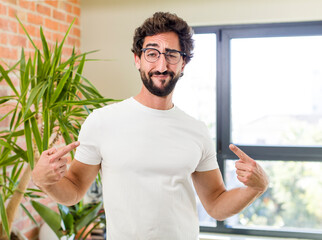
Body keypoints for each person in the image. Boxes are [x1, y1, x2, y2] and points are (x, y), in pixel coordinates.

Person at [32, 12, 269, 240]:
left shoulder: (196, 130)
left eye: (172, 54)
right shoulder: (102, 121)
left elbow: (216, 204)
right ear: (137, 59)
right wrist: (45, 180)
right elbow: (73, 190)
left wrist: (255, 188)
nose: (162, 64)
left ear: (183, 63)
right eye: (152, 53)